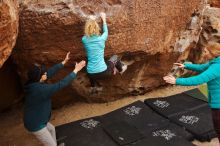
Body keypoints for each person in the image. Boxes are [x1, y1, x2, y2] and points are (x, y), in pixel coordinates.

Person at [24, 52, 86, 146]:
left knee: (52, 130)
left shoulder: (33, 83)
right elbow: (61, 84)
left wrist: (63, 62)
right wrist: (76, 70)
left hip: (37, 119)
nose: (46, 73)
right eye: (44, 73)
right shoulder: (40, 90)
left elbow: (49, 72)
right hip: (36, 125)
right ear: (40, 76)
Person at [163, 43, 220, 144]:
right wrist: (185, 66)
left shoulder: (216, 67)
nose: (204, 53)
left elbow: (199, 79)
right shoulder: (215, 62)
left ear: (213, 54)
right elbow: (202, 67)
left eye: (206, 52)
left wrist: (177, 81)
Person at [82, 12, 127, 88]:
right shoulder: (102, 38)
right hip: (104, 72)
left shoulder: (84, 40)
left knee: (91, 69)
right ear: (97, 28)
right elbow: (106, 32)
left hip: (91, 74)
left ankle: (93, 85)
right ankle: (120, 69)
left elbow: (87, 33)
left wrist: (90, 20)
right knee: (115, 57)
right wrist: (104, 19)